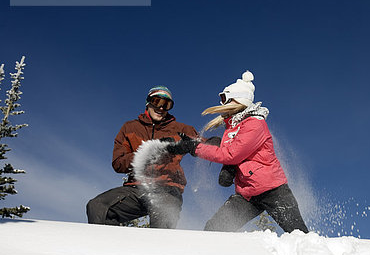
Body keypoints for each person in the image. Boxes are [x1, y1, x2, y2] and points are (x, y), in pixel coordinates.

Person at [167, 71, 309, 233]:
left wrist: (194, 148)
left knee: (298, 234)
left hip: (274, 191)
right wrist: (194, 143)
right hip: (247, 195)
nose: (221, 103)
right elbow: (226, 150)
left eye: (223, 98)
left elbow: (231, 154)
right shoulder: (233, 127)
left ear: (236, 99)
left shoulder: (255, 124)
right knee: (214, 229)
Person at [86, 86, 198, 228]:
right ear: (148, 103)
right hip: (136, 189)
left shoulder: (181, 129)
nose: (161, 108)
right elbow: (118, 163)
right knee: (98, 206)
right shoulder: (130, 128)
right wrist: (147, 153)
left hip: (167, 190)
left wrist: (196, 144)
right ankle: (108, 246)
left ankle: (158, 248)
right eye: (157, 101)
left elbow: (204, 144)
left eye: (167, 105)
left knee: (162, 216)